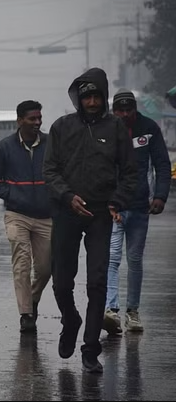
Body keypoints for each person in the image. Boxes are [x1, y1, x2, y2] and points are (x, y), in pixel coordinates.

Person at [43, 67, 137, 374]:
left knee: (97, 282)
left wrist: (117, 201)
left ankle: (90, 348)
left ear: (104, 96)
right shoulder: (61, 127)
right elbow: (50, 170)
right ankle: (70, 320)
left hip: (100, 213)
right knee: (61, 282)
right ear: (78, 99)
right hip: (67, 211)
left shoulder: (116, 129)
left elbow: (130, 172)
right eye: (87, 97)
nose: (93, 102)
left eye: (97, 96)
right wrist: (68, 196)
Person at [102, 89, 171, 335]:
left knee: (135, 260)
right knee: (111, 257)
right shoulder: (105, 130)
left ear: (134, 109)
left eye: (127, 110)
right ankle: (111, 310)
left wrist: (161, 196)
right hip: (113, 207)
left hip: (141, 207)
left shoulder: (149, 128)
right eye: (119, 111)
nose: (123, 115)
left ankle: (133, 312)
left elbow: (162, 164)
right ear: (113, 111)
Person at [0, 100, 51, 333]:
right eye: (32, 119)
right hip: (17, 215)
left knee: (45, 268)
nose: (37, 122)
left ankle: (31, 300)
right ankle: (26, 314)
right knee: (21, 264)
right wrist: (12, 195)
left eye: (39, 118)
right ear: (20, 120)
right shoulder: (4, 147)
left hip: (46, 217)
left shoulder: (51, 145)